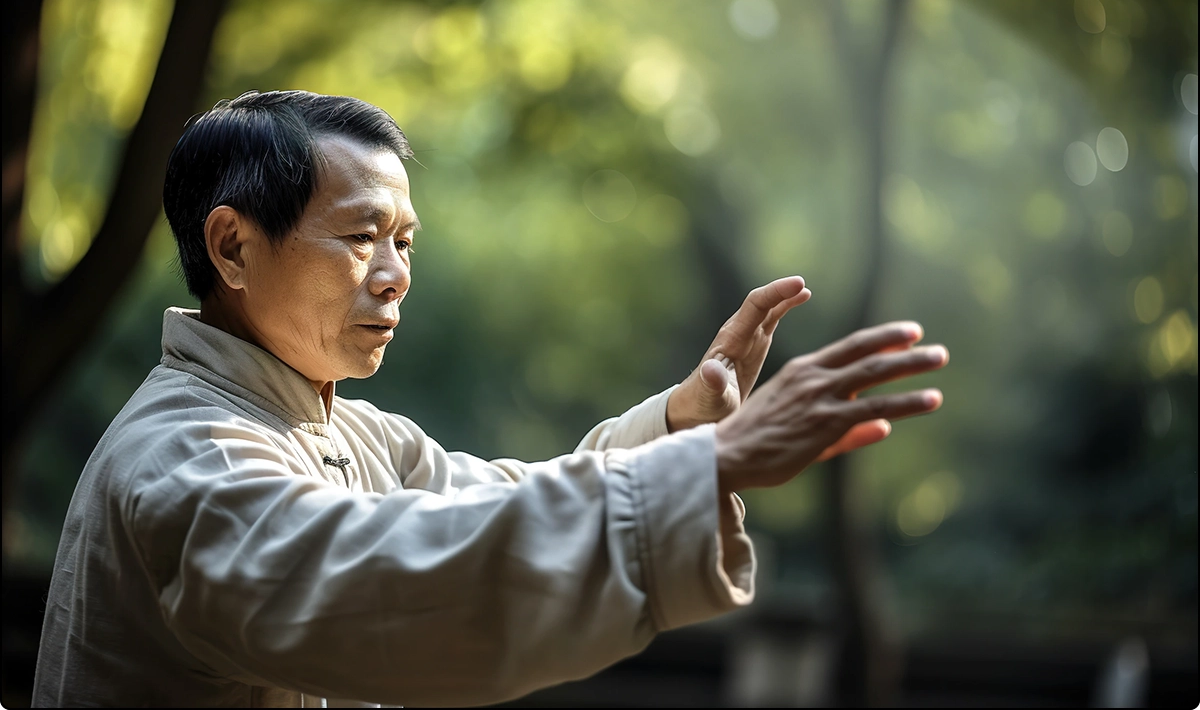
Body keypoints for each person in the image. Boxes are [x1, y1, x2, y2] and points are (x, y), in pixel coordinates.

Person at [31, 90, 948, 708]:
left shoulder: (346, 428)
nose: (395, 277)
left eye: (406, 242)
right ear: (231, 248)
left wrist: (680, 431)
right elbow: (401, 578)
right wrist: (710, 466)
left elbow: (498, 505)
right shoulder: (187, 453)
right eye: (361, 237)